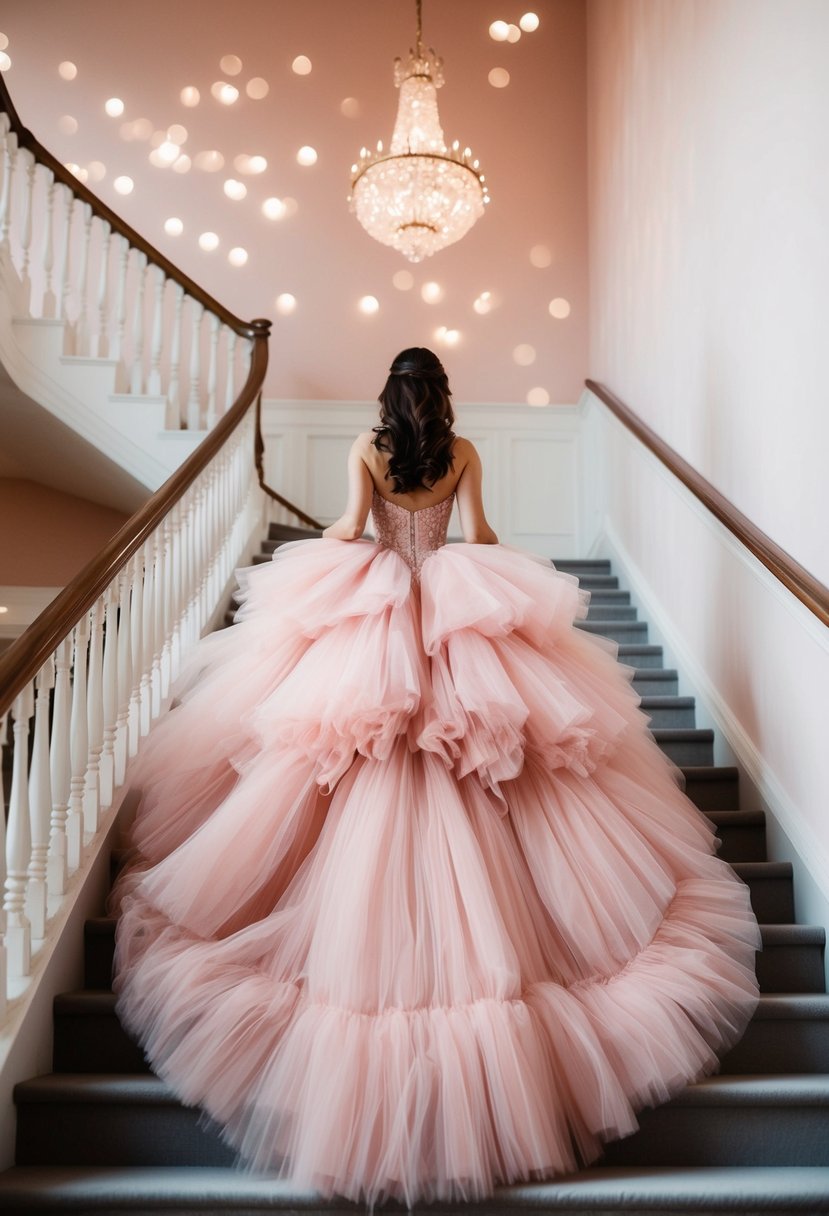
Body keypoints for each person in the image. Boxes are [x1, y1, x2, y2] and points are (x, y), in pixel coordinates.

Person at [112, 346, 760, 1208]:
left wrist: (336, 556)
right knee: (486, 762)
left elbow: (346, 529)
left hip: (379, 619)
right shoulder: (463, 452)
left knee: (351, 757)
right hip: (449, 615)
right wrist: (464, 570)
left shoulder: (368, 450)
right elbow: (480, 539)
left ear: (389, 396)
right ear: (441, 398)